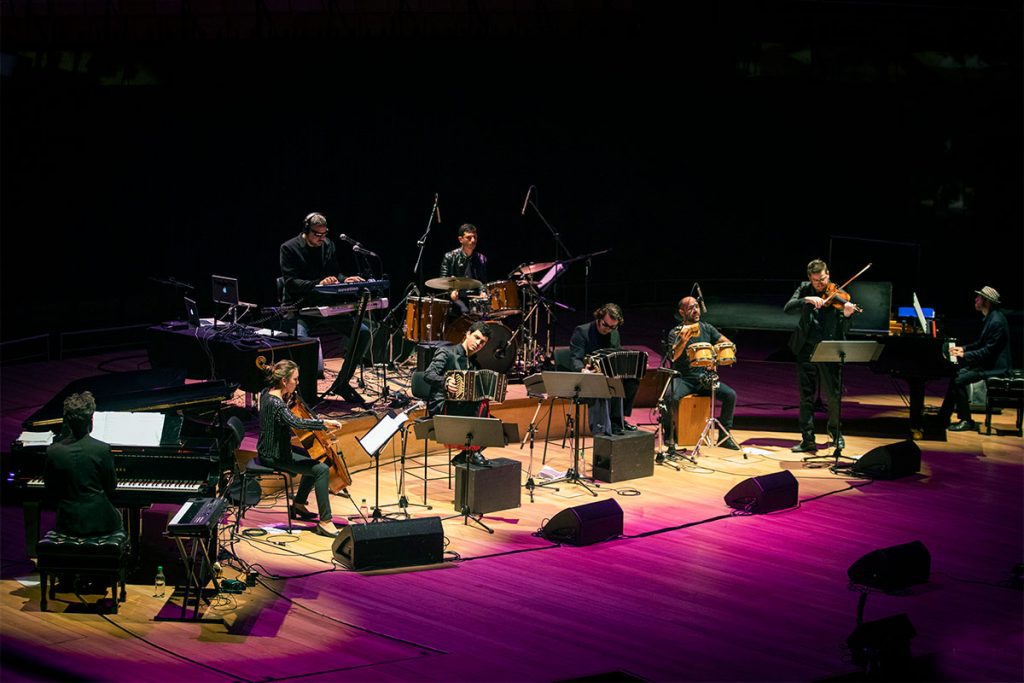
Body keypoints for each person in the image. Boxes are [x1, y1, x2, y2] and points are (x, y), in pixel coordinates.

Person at [280, 212, 373, 405]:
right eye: (317, 235)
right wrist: (318, 283)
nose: (322, 239)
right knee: (304, 343)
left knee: (362, 333)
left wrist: (343, 279)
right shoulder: (289, 248)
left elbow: (333, 274)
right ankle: (303, 395)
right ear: (306, 231)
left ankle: (342, 383)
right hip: (300, 308)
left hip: (326, 306)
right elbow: (291, 282)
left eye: (324, 234)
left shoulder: (328, 245)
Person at [257, 360, 344, 538]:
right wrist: (323, 423)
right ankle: (325, 522)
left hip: (270, 449)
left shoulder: (266, 393)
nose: (297, 383)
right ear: (284, 381)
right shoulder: (277, 404)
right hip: (274, 456)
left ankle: (298, 503)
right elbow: (296, 422)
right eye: (295, 379)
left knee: (314, 458)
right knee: (321, 469)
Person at [784, 259, 858, 452]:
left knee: (834, 396)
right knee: (805, 397)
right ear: (810, 278)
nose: (820, 284)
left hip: (829, 349)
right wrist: (806, 300)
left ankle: (835, 435)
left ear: (828, 275)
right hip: (805, 349)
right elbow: (788, 307)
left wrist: (848, 315)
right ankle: (807, 439)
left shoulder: (838, 292)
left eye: (823, 279)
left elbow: (846, 328)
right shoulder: (804, 289)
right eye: (816, 280)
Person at [659, 296, 740, 451]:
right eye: (690, 308)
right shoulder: (675, 332)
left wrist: (715, 359)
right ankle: (670, 434)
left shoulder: (707, 328)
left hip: (703, 378)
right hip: (684, 378)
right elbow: (673, 357)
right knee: (669, 397)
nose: (695, 310)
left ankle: (725, 437)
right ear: (682, 312)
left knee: (730, 395)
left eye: (696, 306)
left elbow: (726, 343)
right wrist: (683, 340)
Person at [44, 391, 123, 538]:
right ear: (91, 421)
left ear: (66, 421)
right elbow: (111, 487)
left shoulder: (53, 451)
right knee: (119, 517)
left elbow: (51, 489)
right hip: (100, 519)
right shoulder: (102, 449)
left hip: (67, 521)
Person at [939, 286, 1013, 432]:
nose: (976, 299)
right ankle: (943, 416)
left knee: (959, 380)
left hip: (995, 367)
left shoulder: (996, 321)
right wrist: (964, 348)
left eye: (979, 298)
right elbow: (980, 343)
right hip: (987, 363)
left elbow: (988, 351)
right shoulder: (991, 317)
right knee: (956, 377)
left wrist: (965, 355)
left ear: (987, 302)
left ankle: (966, 420)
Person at [423, 320, 493, 466]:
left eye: (483, 342)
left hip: (463, 406)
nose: (478, 343)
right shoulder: (447, 352)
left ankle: (466, 454)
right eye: (476, 337)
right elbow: (428, 374)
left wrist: (491, 391)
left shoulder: (475, 364)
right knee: (481, 415)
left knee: (495, 427)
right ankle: (472, 453)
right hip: (443, 404)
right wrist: (446, 382)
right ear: (468, 334)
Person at [568, 303, 640, 436]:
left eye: (613, 327)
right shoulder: (582, 331)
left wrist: (632, 364)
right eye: (605, 325)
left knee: (633, 379)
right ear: (599, 318)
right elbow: (575, 359)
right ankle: (609, 423)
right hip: (590, 375)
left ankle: (620, 419)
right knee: (611, 382)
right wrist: (582, 370)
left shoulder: (614, 333)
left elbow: (617, 353)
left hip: (609, 373)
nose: (608, 329)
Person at [439, 223, 488, 318]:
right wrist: (451, 291)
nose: (473, 240)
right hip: (456, 302)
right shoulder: (449, 257)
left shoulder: (481, 258)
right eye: (469, 238)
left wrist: (483, 291)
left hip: (474, 301)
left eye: (475, 237)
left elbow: (483, 281)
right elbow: (443, 280)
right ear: (460, 239)